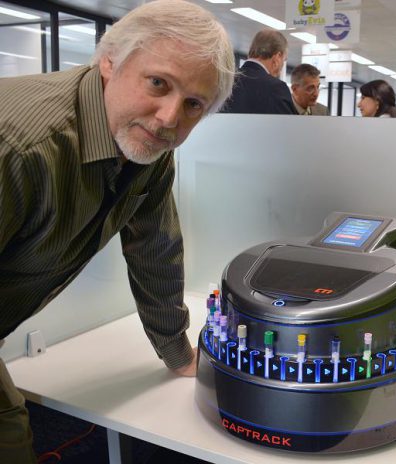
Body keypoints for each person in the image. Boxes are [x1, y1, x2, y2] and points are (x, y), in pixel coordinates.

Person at [0, 1, 234, 461]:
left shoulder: (145, 145)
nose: (169, 118)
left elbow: (156, 249)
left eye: (193, 104)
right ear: (110, 60)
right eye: (158, 83)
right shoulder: (22, 148)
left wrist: (178, 352)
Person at [219, 29, 297, 115]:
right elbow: (289, 126)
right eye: (284, 60)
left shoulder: (225, 81)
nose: (282, 67)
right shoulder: (276, 88)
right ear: (278, 57)